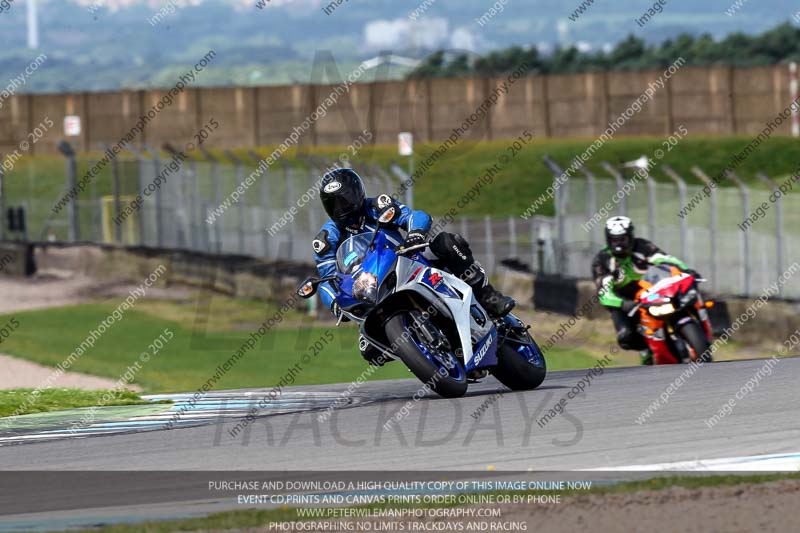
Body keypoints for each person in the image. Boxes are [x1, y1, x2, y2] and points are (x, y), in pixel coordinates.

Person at [312, 168, 515, 364]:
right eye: (334, 203)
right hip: (371, 288)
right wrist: (334, 303)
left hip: (408, 260)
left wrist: (415, 233)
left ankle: (487, 295)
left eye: (345, 199)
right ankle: (426, 353)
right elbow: (327, 278)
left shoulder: (378, 206)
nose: (341, 207)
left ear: (358, 193)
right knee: (370, 350)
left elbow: (415, 216)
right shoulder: (327, 239)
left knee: (447, 243)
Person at [591, 216, 691, 365]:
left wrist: (685, 269)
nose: (618, 244)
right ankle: (647, 348)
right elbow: (604, 294)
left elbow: (664, 258)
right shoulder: (602, 260)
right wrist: (623, 304)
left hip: (651, 291)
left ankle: (692, 329)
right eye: (614, 240)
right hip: (623, 301)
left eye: (623, 239)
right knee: (625, 338)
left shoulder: (642, 246)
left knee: (680, 300)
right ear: (608, 239)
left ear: (630, 236)